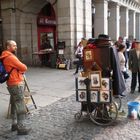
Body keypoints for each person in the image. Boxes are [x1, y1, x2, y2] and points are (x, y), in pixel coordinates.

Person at [0, 40, 30, 135]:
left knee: (14, 103)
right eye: (14, 45)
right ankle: (21, 128)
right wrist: (21, 68)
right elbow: (24, 67)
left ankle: (14, 124)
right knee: (20, 104)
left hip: (11, 83)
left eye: (16, 45)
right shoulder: (10, 57)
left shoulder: (5, 56)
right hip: (16, 83)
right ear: (8, 47)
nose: (16, 47)